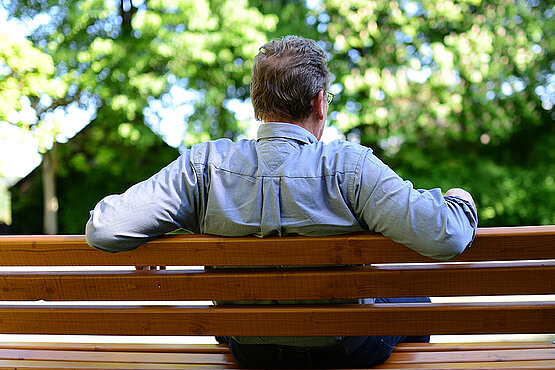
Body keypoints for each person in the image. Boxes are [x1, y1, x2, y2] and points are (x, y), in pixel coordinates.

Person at [86, 35, 478, 368]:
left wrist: (158, 232)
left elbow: (104, 228)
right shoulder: (350, 165)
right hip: (344, 349)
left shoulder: (203, 165)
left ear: (258, 106)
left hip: (250, 349)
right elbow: (445, 237)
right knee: (413, 298)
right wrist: (459, 198)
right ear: (320, 102)